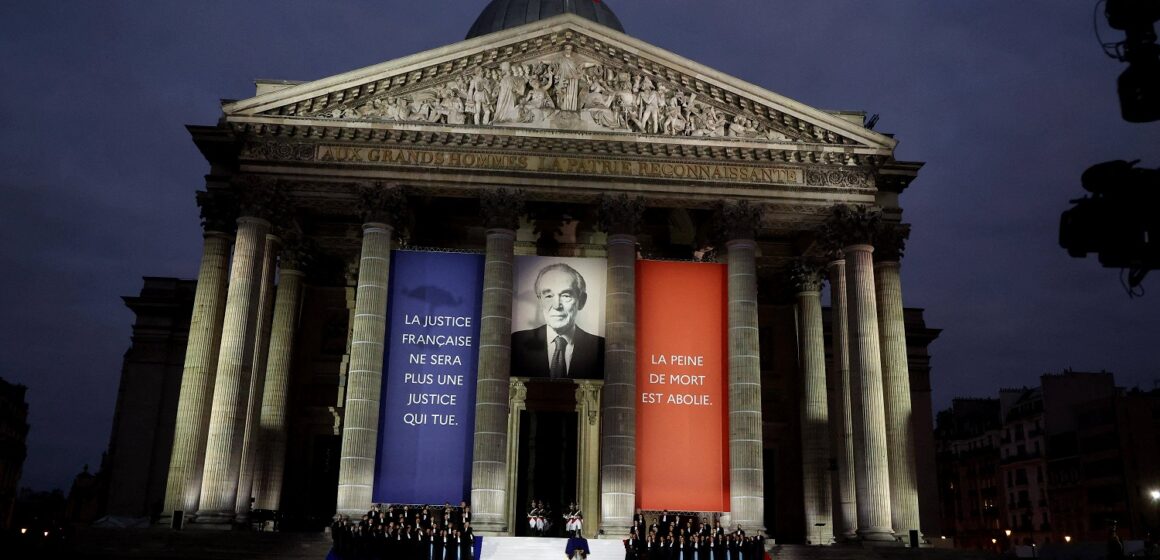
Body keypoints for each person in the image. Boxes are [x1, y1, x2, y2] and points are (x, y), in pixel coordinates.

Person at [512, 263, 605, 379]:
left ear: (581, 301)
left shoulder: (602, 349)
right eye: (549, 296)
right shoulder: (516, 343)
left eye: (566, 295)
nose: (556, 305)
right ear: (540, 301)